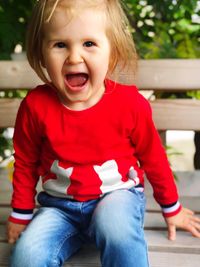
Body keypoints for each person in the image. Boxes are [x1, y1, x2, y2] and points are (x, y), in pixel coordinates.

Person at [7, 0, 200, 267]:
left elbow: (154, 158)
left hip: (117, 198)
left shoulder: (129, 105)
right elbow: (26, 162)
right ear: (41, 54)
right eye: (60, 44)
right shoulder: (36, 106)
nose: (74, 57)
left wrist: (172, 209)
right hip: (59, 208)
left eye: (89, 44)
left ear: (113, 52)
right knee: (26, 257)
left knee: (116, 227)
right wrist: (20, 214)